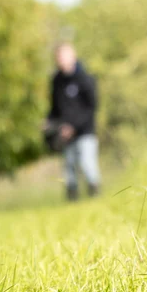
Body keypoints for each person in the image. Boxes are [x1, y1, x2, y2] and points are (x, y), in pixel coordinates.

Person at [46, 42, 100, 200]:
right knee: (69, 167)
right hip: (64, 132)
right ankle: (72, 200)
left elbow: (91, 107)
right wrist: (49, 121)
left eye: (64, 56)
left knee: (87, 164)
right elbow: (55, 107)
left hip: (85, 130)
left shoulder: (85, 78)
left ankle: (95, 196)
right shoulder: (57, 80)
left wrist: (73, 127)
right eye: (59, 57)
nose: (61, 60)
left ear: (73, 56)